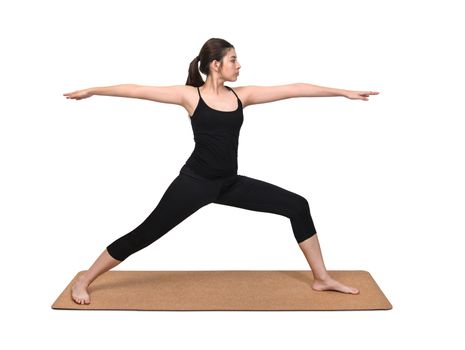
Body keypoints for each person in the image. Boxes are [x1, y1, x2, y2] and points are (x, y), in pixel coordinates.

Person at [64, 37, 379, 305]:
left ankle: (322, 278)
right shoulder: (191, 96)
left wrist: (342, 92)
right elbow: (135, 90)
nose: (239, 65)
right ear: (215, 64)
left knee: (297, 205)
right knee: (145, 234)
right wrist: (93, 90)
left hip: (229, 183)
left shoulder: (242, 96)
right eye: (233, 59)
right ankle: (85, 280)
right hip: (194, 184)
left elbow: (293, 88)